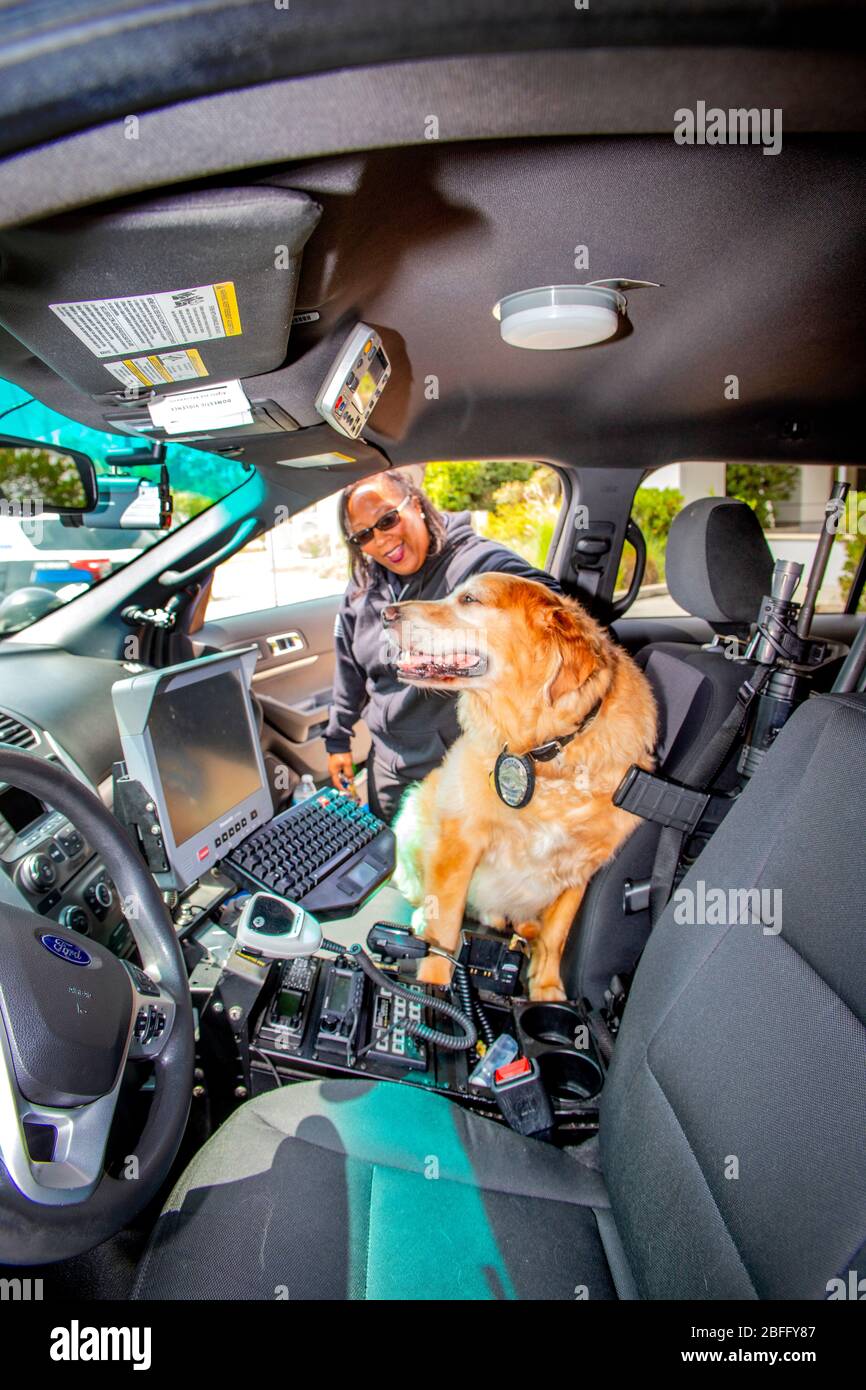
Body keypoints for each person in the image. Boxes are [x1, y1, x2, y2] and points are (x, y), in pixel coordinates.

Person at [323, 469, 561, 822]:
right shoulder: (362, 586)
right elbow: (350, 670)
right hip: (386, 764)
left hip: (454, 768)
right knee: (391, 865)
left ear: (415, 504)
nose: (382, 540)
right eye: (364, 536)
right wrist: (338, 740)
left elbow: (545, 603)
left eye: (388, 520)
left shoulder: (475, 564)